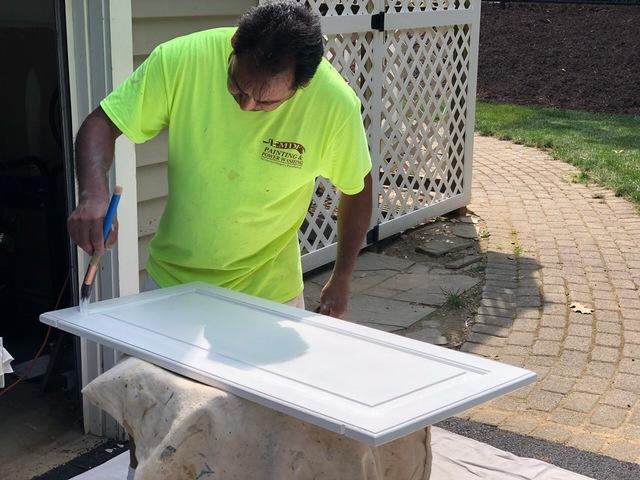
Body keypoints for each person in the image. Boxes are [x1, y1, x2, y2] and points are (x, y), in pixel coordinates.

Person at [67, 1, 372, 476]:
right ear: (234, 47)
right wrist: (92, 193)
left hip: (266, 291)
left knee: (267, 430)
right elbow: (102, 123)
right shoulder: (182, 59)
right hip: (174, 284)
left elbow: (357, 187)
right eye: (238, 87)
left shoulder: (334, 104)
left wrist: (342, 275)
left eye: (267, 101)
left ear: (304, 84)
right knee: (153, 424)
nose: (248, 105)